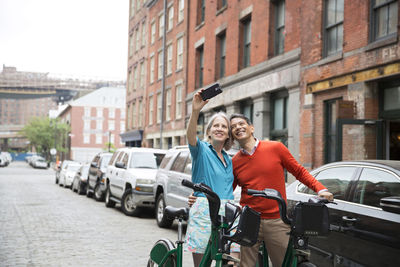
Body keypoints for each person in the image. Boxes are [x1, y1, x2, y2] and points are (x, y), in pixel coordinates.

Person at [229, 113, 334, 267]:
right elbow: (226, 189)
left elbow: (299, 171)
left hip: (276, 220)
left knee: (283, 263)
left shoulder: (275, 148)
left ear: (251, 128)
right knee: (246, 265)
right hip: (250, 220)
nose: (237, 127)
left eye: (241, 123)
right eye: (233, 127)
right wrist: (199, 197)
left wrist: (320, 189)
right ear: (232, 135)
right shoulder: (235, 162)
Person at [185, 90, 239, 267]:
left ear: (228, 135)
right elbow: (191, 136)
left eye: (224, 127)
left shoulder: (229, 160)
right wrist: (195, 111)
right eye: (216, 126)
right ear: (208, 131)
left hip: (227, 213)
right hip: (204, 211)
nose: (220, 129)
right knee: (202, 264)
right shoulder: (200, 150)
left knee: (229, 261)